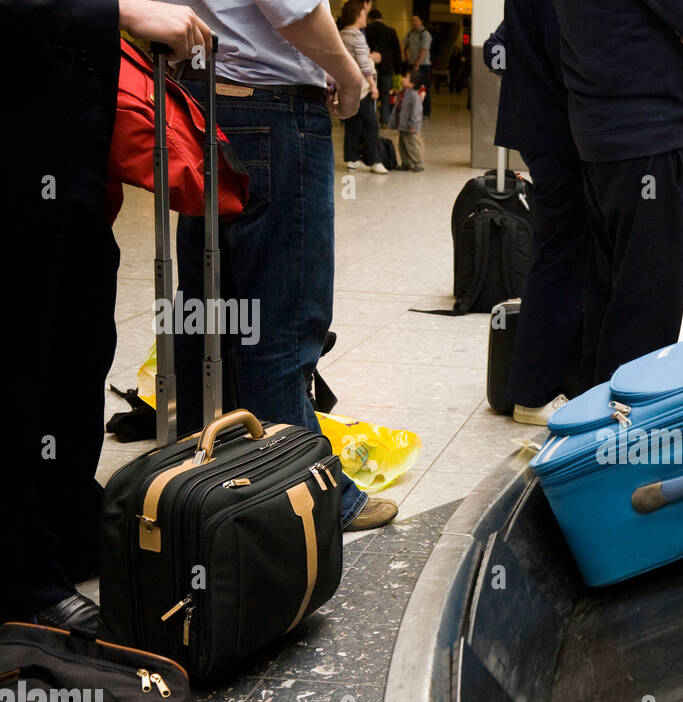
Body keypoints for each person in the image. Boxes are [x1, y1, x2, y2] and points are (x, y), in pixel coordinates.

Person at [0, 0, 213, 627]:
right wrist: (117, 12)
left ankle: (63, 524)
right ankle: (19, 578)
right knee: (18, 363)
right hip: (16, 157)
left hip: (71, 162)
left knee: (77, 347)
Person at [167, 0, 398, 532]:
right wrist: (349, 75)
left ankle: (206, 471)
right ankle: (308, 497)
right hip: (275, 110)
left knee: (210, 313)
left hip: (202, 103)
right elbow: (291, 9)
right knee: (283, 319)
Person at [552, 0, 683, 384]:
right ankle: (630, 419)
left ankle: (598, 411)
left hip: (599, 134)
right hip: (648, 138)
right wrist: (682, 35)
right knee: (648, 295)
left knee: (611, 291)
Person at [484, 0, 589, 425]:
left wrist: (524, 85)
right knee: (561, 254)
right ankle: (533, 391)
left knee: (559, 250)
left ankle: (540, 383)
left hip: (539, 132)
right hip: (561, 134)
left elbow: (496, 49)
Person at [340, 0, 386, 173]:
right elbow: (364, 65)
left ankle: (352, 158)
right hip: (363, 88)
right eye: (364, 13)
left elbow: (359, 56)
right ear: (359, 15)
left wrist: (371, 56)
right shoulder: (357, 35)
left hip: (348, 86)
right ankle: (374, 160)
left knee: (353, 123)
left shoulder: (343, 34)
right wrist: (373, 87)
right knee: (371, 124)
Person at [365, 6, 403, 125]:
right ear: (381, 18)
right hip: (387, 67)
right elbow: (397, 52)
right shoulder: (391, 31)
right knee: (385, 94)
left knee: (371, 93)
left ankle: (371, 120)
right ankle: (384, 120)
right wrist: (398, 70)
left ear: (370, 18)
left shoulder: (367, 30)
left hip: (370, 67)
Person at [391, 71, 424, 172]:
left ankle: (418, 162)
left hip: (411, 126)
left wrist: (413, 124)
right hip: (402, 124)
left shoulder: (414, 96)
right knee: (402, 144)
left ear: (412, 84)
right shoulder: (402, 93)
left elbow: (416, 112)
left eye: (406, 78)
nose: (403, 79)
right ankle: (406, 163)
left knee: (412, 144)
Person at [405, 13, 433, 113]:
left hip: (423, 65)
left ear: (421, 22)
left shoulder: (425, 34)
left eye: (416, 21)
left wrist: (417, 63)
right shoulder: (410, 33)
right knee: (412, 88)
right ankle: (415, 109)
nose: (414, 23)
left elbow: (424, 50)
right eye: (412, 21)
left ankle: (426, 110)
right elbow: (404, 43)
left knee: (423, 87)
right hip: (412, 64)